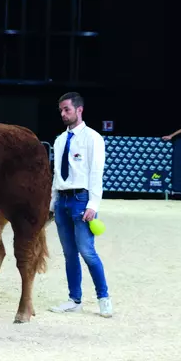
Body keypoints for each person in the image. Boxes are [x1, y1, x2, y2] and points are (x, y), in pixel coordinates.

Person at [48, 92, 112, 318]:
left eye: (67, 109)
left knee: (87, 251)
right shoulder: (58, 140)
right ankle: (74, 299)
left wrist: (93, 204)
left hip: (81, 200)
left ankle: (103, 297)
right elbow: (57, 174)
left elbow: (96, 172)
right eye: (61, 110)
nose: (63, 114)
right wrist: (52, 203)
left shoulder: (93, 138)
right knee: (69, 254)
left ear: (79, 110)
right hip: (63, 200)